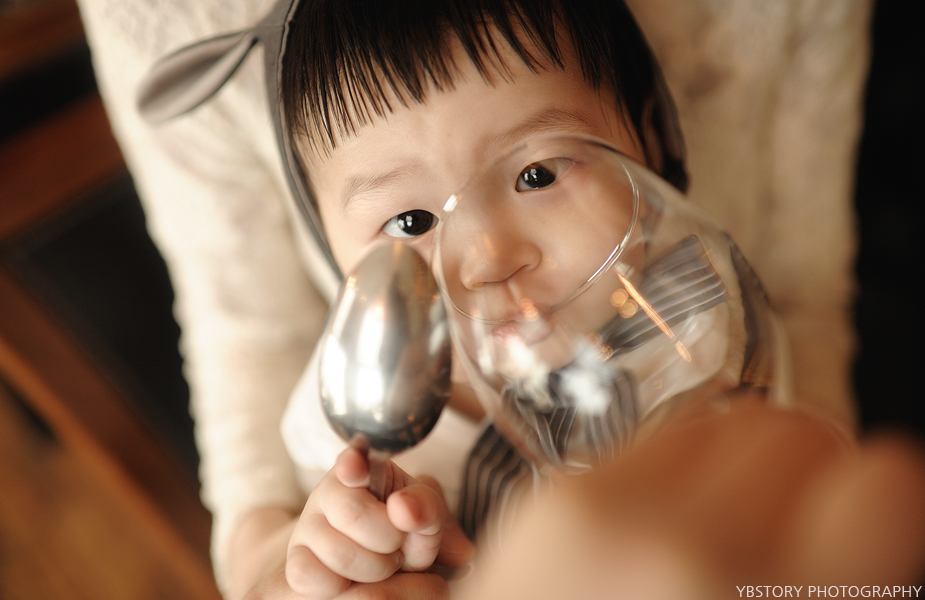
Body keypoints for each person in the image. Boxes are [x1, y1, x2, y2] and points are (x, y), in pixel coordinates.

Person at [73, 0, 885, 598]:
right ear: (337, 261)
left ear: (648, 140)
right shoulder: (352, 429)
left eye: (537, 173)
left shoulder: (695, 318)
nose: (487, 258)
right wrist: (317, 560)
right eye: (411, 222)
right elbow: (291, 543)